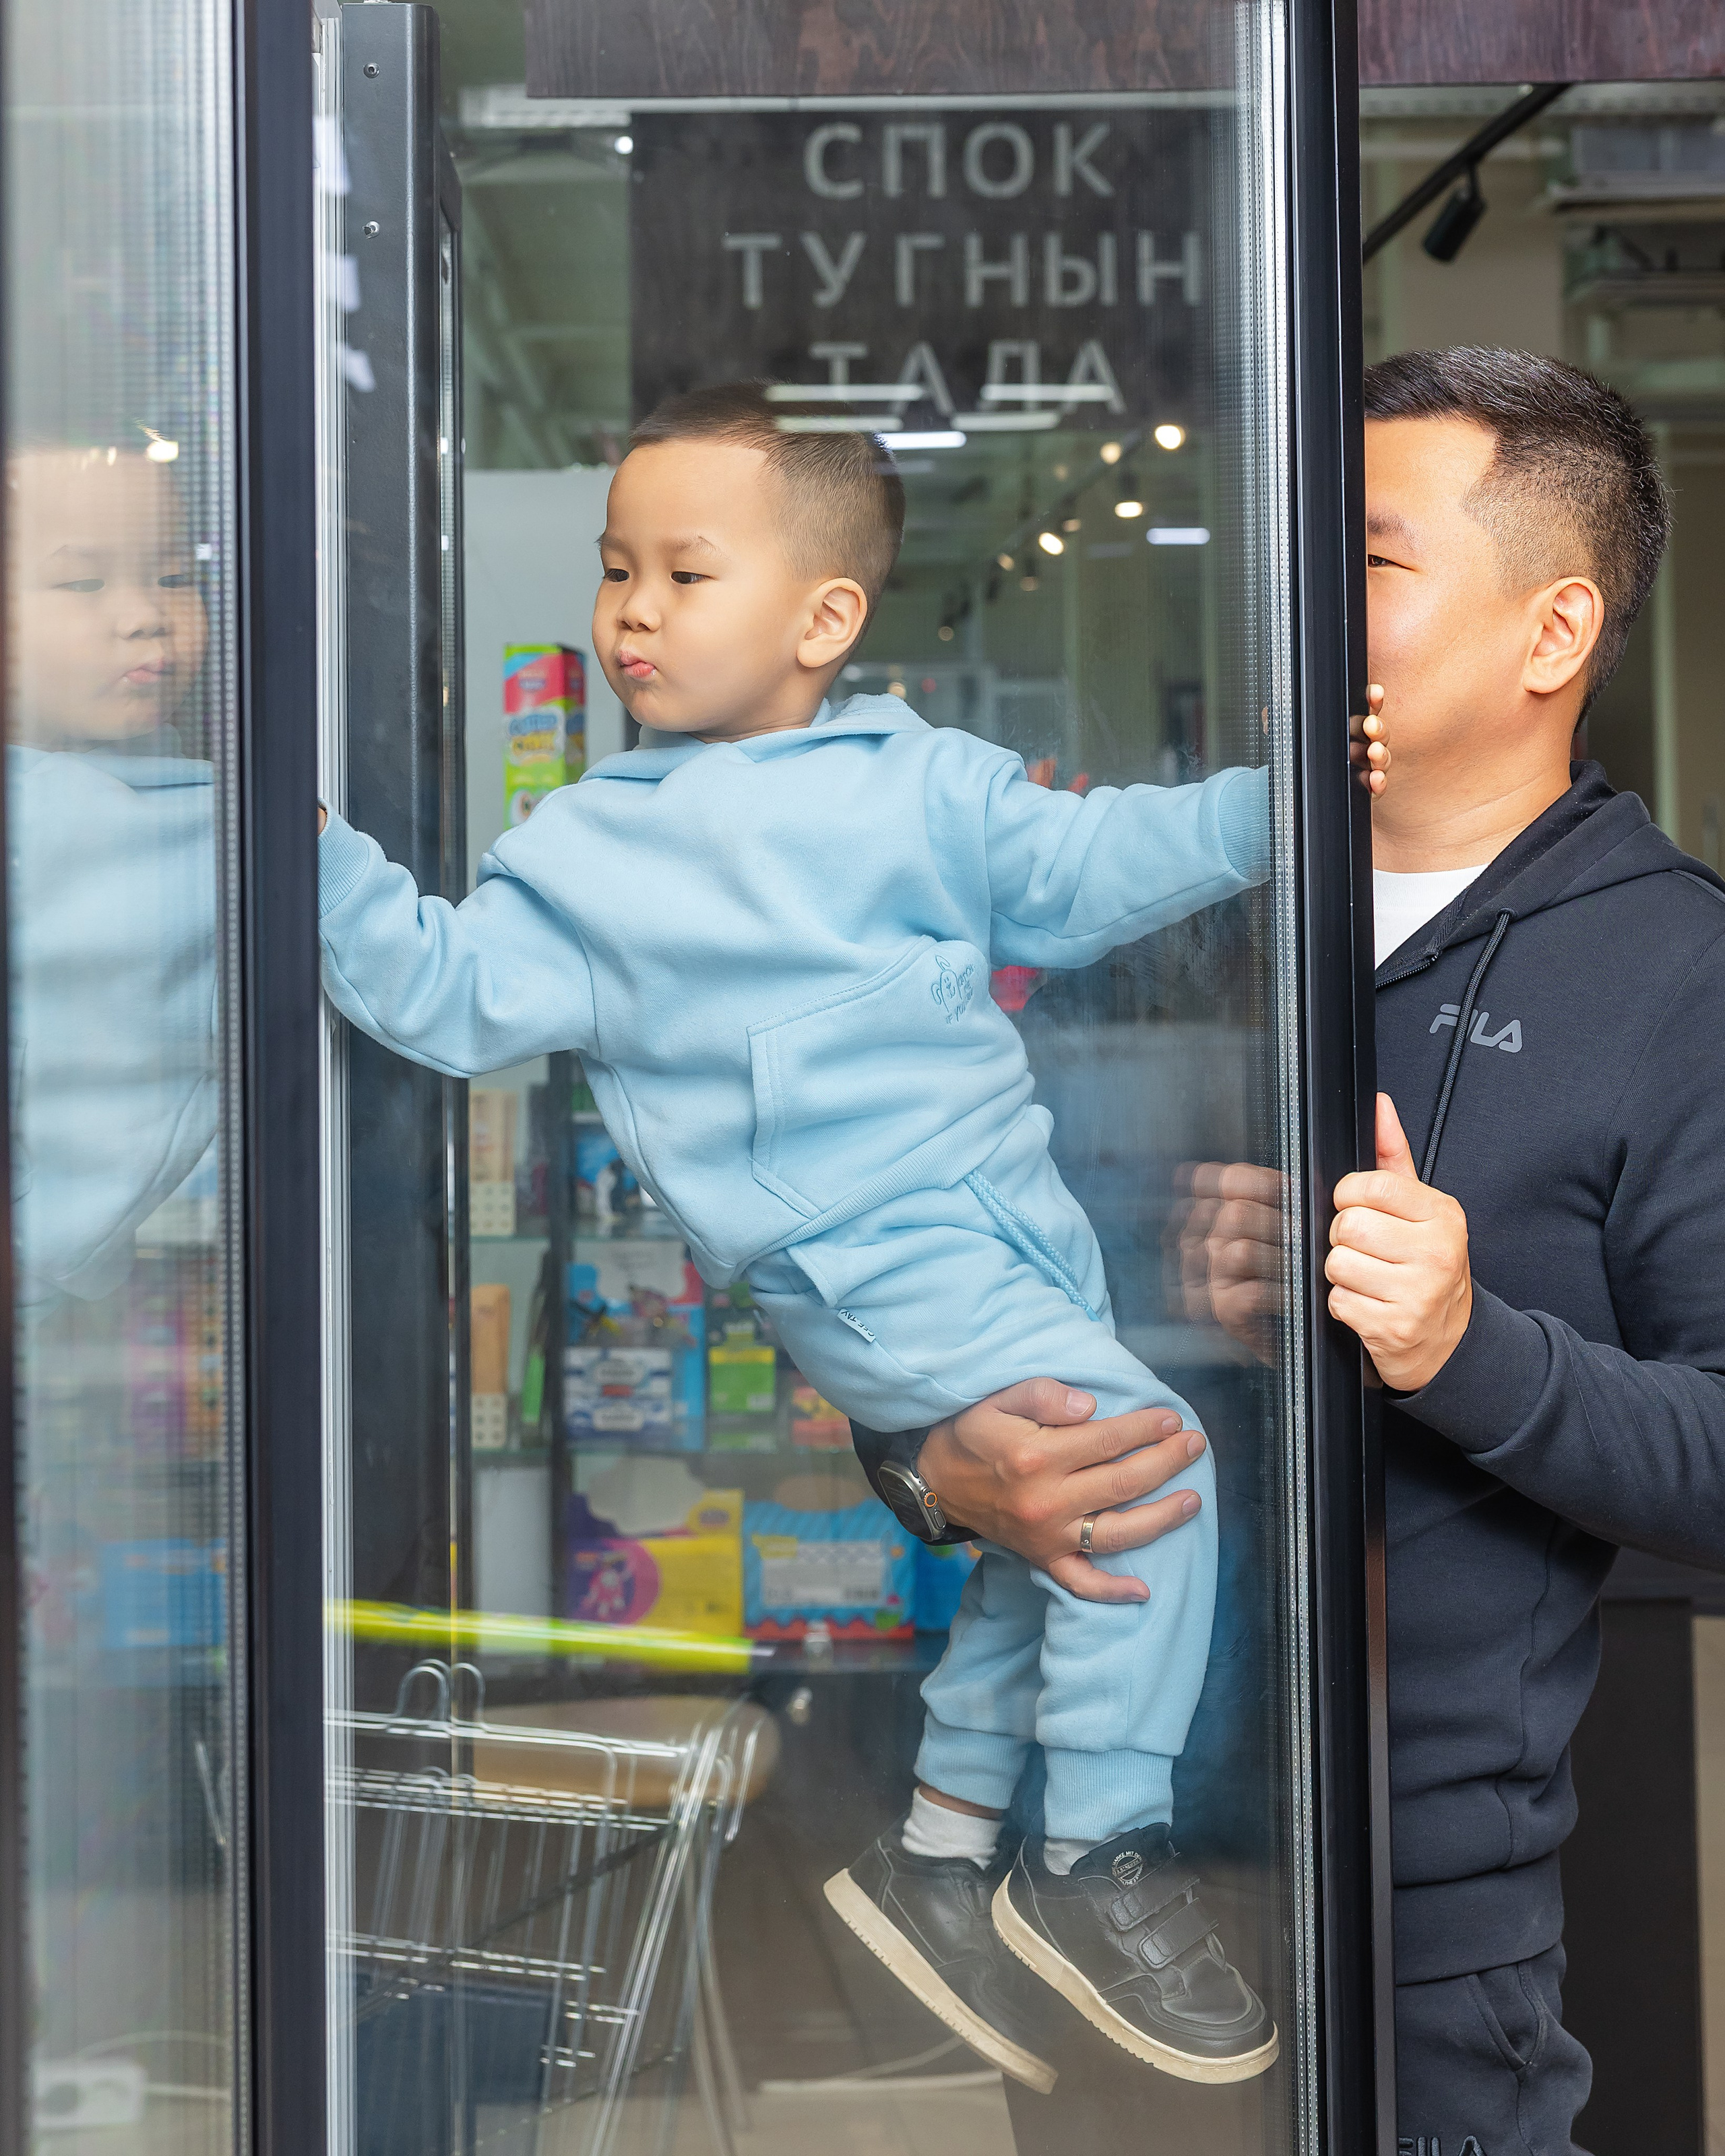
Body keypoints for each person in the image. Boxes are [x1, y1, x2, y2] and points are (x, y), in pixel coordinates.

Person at [313, 379, 1388, 2093]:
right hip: (862, 1263)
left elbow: (1093, 859)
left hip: (1014, 1241)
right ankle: (1094, 1851)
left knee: (1062, 1525)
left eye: (682, 573)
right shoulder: (585, 849)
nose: (632, 611)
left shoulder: (920, 779)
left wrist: (1286, 801)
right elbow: (443, 992)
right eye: (614, 569)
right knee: (1151, 1469)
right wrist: (308, 857)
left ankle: (942, 1853)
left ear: (821, 620)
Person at [865, 346, 1717, 2156]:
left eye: (1372, 559)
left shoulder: (1677, 977)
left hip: (1421, 1932)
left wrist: (1463, 1346)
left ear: (1553, 630)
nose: (1304, 608)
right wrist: (930, 1466)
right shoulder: (1179, 918)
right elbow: (930, 1271)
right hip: (1085, 1903)